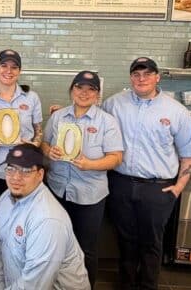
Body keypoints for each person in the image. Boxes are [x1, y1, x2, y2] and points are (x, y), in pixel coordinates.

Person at [102, 57, 191, 290]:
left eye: (147, 74)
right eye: (136, 74)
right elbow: (96, 127)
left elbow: (189, 154)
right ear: (131, 78)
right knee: (125, 240)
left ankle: (148, 285)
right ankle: (126, 284)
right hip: (121, 183)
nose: (141, 78)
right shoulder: (113, 104)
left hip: (157, 187)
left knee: (152, 243)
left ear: (157, 77)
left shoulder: (176, 111)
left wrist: (178, 187)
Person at [42, 70, 123, 288]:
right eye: (79, 87)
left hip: (90, 194)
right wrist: (49, 151)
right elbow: (44, 143)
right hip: (58, 190)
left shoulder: (107, 121)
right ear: (71, 90)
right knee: (57, 243)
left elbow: (116, 157)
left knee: (86, 248)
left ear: (97, 95)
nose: (84, 93)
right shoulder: (58, 116)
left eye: (91, 89)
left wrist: (90, 165)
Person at [0, 143, 91, 290]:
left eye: (26, 171)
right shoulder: (5, 198)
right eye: (11, 169)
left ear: (40, 175)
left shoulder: (48, 220)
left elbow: (35, 285)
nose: (16, 177)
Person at [0, 49, 43, 215]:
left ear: (19, 71)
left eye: (14, 67)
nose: (8, 71)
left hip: (25, 171)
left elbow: (38, 132)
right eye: (4, 65)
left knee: (24, 218)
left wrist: (33, 144)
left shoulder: (32, 98)